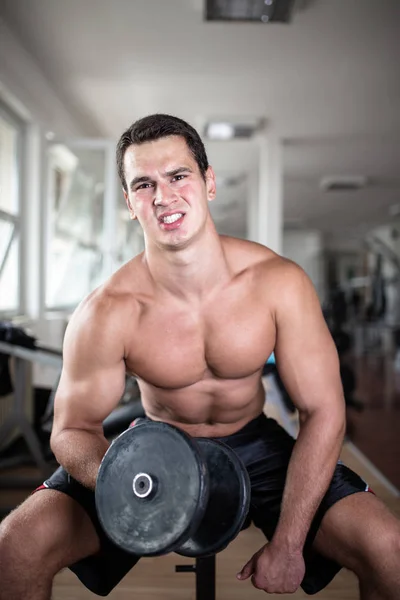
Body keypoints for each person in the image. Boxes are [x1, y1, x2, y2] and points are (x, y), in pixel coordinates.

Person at [1, 114, 399, 600]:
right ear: (129, 203)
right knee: (15, 545)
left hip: (259, 448)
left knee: (388, 547)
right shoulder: (107, 311)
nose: (163, 196)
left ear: (208, 183)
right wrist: (127, 479)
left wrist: (290, 543)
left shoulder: (278, 282)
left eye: (178, 176)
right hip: (154, 447)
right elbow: (70, 430)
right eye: (143, 184)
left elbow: (323, 411)